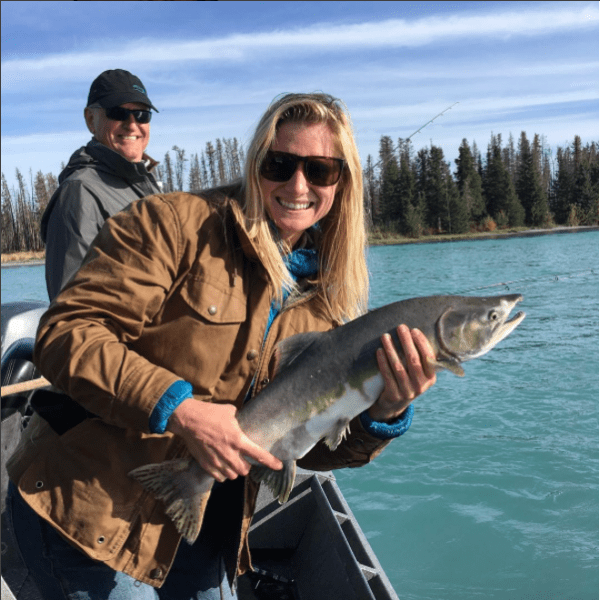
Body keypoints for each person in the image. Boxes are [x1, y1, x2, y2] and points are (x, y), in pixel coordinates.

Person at [5, 93, 437, 599]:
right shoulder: (173, 224)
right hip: (90, 509)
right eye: (280, 164)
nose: (298, 185)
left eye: (320, 170)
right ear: (256, 165)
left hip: (206, 523)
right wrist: (181, 409)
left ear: (341, 184)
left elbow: (304, 448)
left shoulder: (325, 305)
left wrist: (381, 413)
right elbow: (67, 333)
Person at [41, 68, 162, 301]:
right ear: (91, 120)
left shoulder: (146, 187)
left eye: (142, 115)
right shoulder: (79, 193)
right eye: (118, 113)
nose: (132, 124)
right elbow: (73, 313)